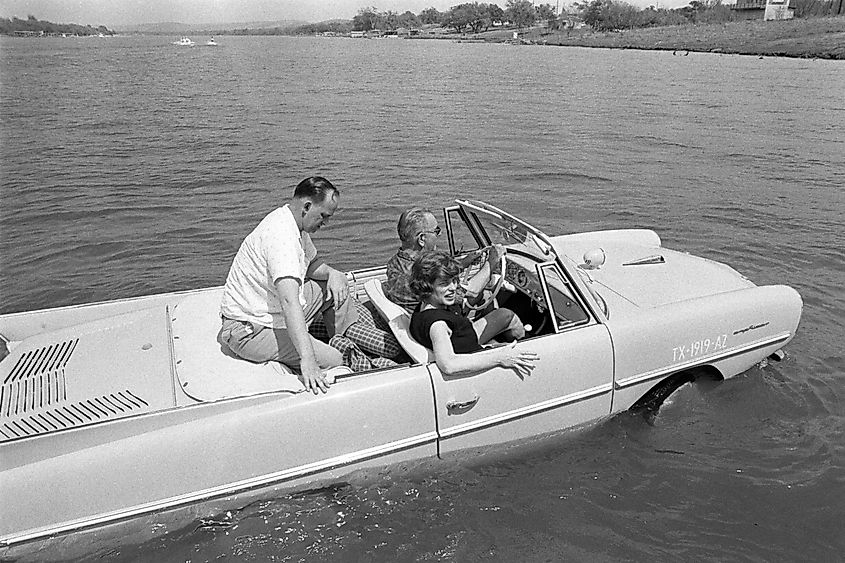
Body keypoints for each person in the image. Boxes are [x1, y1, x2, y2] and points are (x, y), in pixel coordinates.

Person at [218, 176, 358, 394]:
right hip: (250, 330)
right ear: (307, 206)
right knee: (334, 359)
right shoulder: (281, 236)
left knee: (334, 288)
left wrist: (334, 273)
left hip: (269, 310)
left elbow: (311, 266)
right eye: (323, 216)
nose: (325, 223)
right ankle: (339, 356)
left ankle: (347, 340)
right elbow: (289, 301)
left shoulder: (295, 223)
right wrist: (308, 359)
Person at [408, 251, 537, 378]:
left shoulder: (424, 307)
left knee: (505, 315)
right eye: (444, 284)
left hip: (464, 341)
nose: (453, 287)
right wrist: (499, 358)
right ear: (427, 287)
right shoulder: (438, 325)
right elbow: (449, 365)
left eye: (454, 280)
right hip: (475, 360)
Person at [384, 207, 501, 314]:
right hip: (442, 323)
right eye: (436, 231)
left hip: (420, 320)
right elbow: (472, 291)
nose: (439, 234)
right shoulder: (422, 275)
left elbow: (440, 272)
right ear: (422, 239)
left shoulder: (395, 263)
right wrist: (491, 262)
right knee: (501, 310)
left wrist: (466, 261)